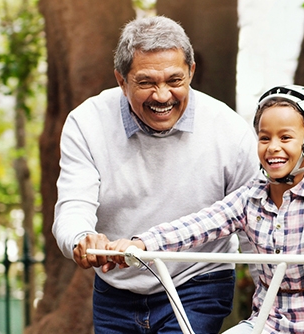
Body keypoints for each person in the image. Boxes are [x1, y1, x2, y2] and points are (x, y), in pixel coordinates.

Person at [52, 16, 260, 333]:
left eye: (174, 81)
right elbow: (72, 205)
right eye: (146, 82)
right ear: (121, 80)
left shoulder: (229, 130)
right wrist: (82, 238)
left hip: (197, 279)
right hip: (116, 289)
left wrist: (271, 299)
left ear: (191, 72)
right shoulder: (87, 123)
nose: (162, 96)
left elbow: (253, 223)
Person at [107, 84, 304, 333]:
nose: (272, 146)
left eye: (285, 137)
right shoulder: (249, 198)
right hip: (268, 322)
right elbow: (199, 224)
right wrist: (142, 243)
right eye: (265, 138)